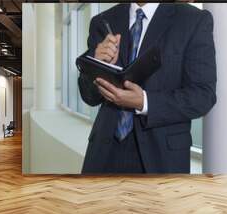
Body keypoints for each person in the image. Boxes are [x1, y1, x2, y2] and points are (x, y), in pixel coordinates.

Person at [78, 3, 217, 174]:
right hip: (105, 151)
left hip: (162, 156)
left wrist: (144, 102)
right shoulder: (102, 21)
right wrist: (96, 61)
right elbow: (88, 96)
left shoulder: (193, 20)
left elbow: (203, 96)